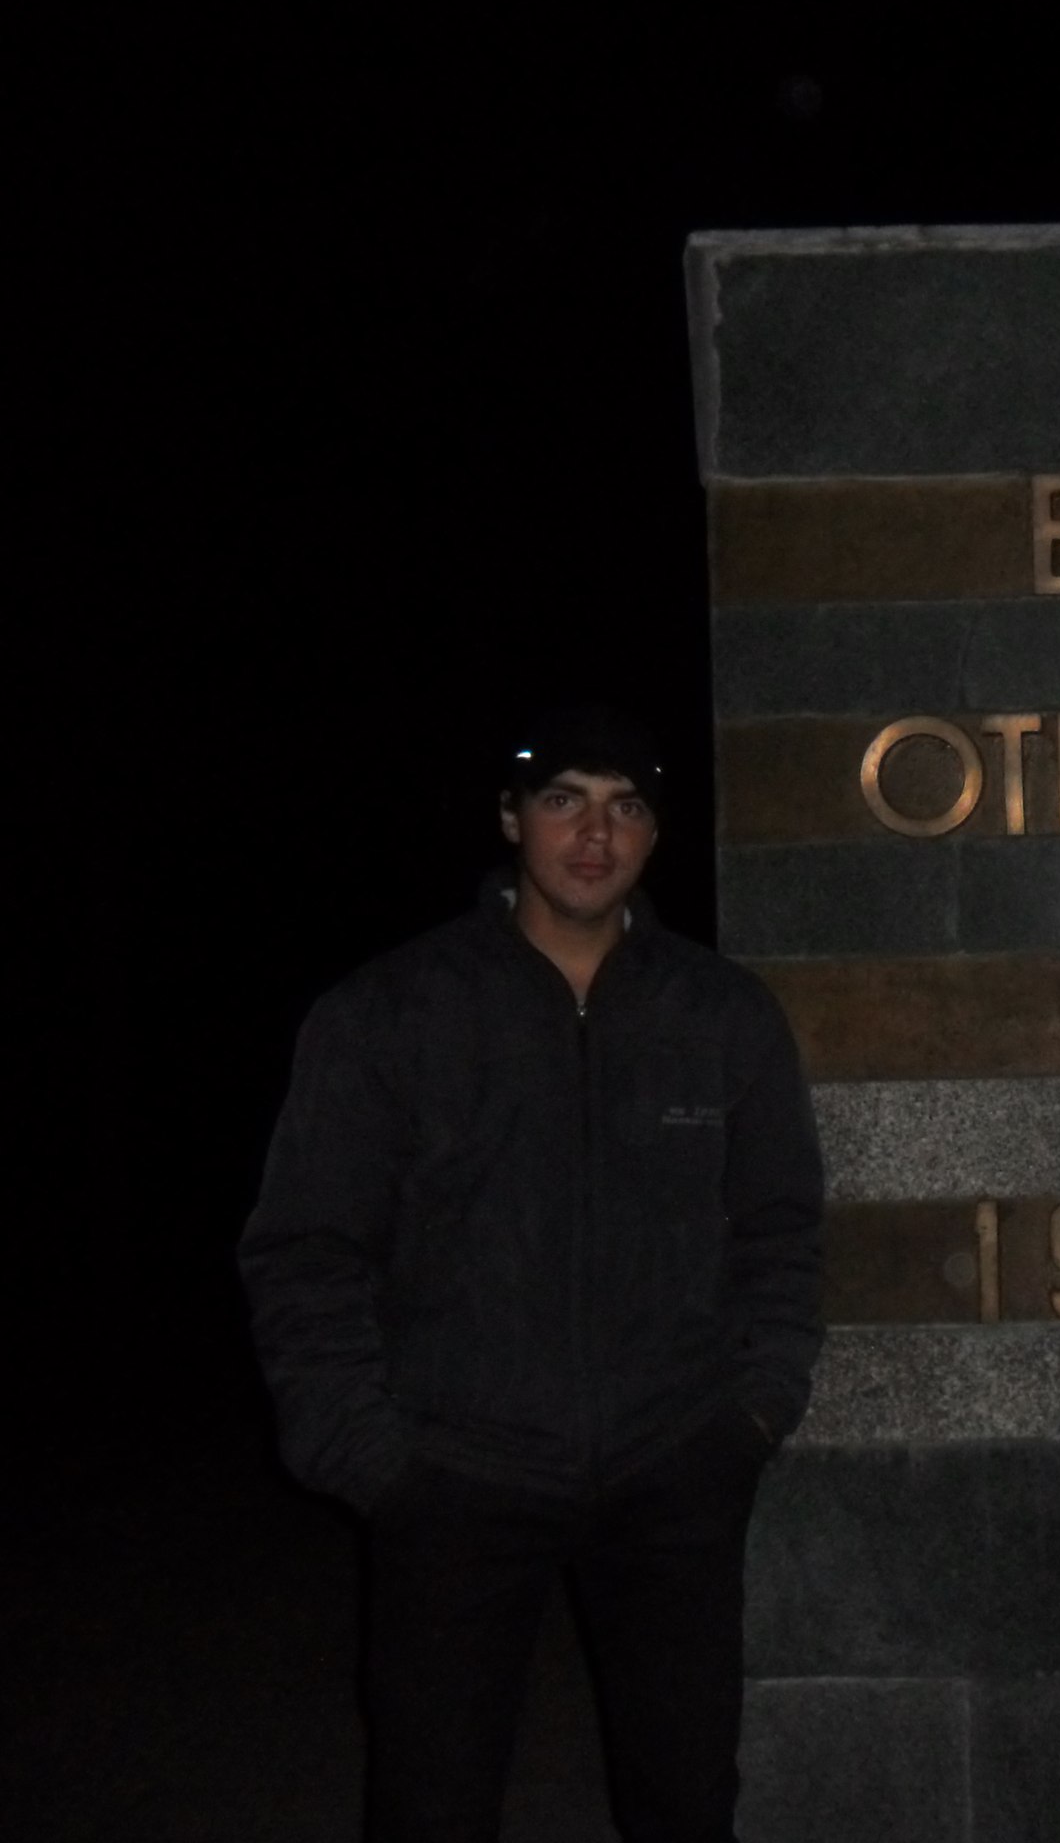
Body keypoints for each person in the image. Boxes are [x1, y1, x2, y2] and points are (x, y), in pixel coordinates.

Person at [239, 704, 825, 1843]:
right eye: (564, 801)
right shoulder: (393, 1012)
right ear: (512, 820)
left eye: (625, 807)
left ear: (653, 834)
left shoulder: (720, 1013)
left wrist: (751, 1411)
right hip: (454, 1476)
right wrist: (368, 1456)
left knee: (685, 1802)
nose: (595, 835)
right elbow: (305, 1245)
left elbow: (779, 1225)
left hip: (671, 1469)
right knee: (432, 1804)